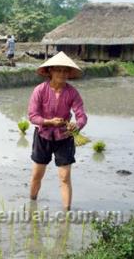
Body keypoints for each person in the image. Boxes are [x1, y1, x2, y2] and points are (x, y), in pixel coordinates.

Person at [27, 51, 88, 211]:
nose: (62, 74)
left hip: (64, 137)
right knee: (37, 175)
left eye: (65, 71)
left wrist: (77, 125)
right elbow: (32, 116)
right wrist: (48, 122)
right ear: (50, 71)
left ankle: (66, 212)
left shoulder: (72, 93)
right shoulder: (39, 90)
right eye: (58, 70)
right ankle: (32, 204)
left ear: (69, 73)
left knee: (65, 176)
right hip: (43, 136)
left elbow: (81, 115)